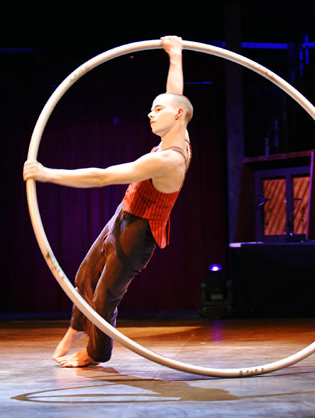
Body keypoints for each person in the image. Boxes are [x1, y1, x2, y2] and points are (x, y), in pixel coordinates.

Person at [23, 36, 192, 367]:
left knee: (104, 297)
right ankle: (75, 330)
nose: (150, 114)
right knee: (84, 276)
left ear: (178, 115)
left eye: (157, 110)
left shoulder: (169, 159)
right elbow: (175, 95)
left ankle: (95, 353)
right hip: (124, 215)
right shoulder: (179, 128)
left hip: (140, 232)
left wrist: (46, 173)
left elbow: (102, 177)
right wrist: (175, 54)